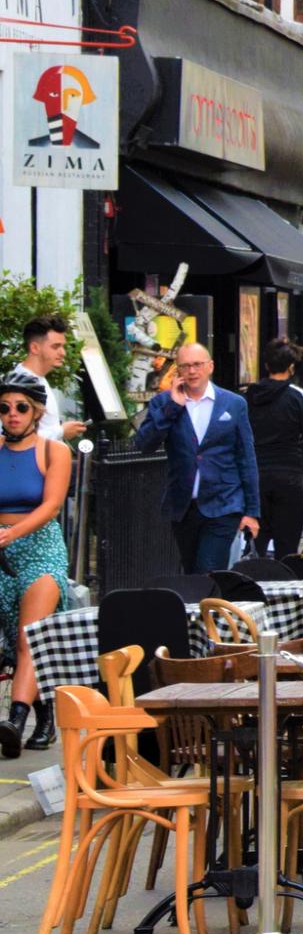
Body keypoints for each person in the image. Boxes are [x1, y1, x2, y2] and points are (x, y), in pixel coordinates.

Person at [133, 342, 260, 575]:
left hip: (224, 503)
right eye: (185, 366)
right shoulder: (163, 403)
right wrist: (172, 407)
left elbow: (246, 457)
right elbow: (144, 444)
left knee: (208, 569)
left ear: (210, 366)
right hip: (184, 506)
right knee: (192, 572)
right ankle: (204, 611)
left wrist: (251, 511)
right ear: (178, 371)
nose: (192, 371)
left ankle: (208, 610)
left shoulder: (233, 403)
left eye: (197, 365)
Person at [0, 371, 74, 755]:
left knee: (30, 634)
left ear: (37, 411)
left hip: (39, 545)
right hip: (1, 546)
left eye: (21, 407)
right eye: (5, 408)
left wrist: (13, 533)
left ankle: (14, 719)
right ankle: (44, 713)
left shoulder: (54, 451)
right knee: (13, 638)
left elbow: (52, 505)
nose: (12, 415)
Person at [243, 339, 303, 559]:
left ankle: (254, 587)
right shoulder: (297, 396)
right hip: (288, 477)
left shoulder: (247, 396)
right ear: (291, 367)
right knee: (288, 548)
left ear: (266, 365)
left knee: (256, 546)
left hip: (256, 478)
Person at [16, 315, 86, 443]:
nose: (63, 353)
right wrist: (61, 431)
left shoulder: (36, 379)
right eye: (55, 346)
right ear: (34, 348)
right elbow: (13, 438)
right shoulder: (18, 384)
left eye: (63, 346)